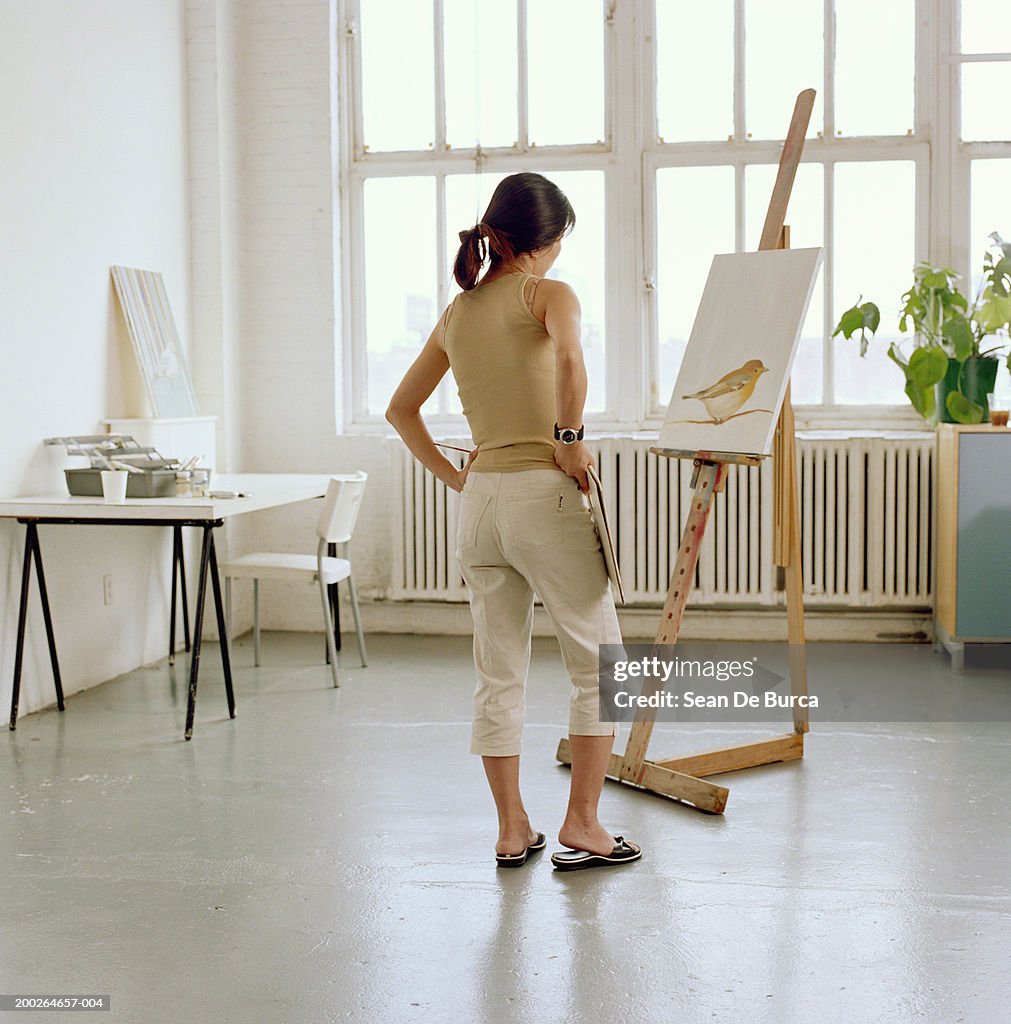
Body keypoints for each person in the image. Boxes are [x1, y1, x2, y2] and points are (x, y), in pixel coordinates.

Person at [386, 172, 640, 872]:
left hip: (481, 507)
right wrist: (567, 437)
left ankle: (510, 829)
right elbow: (568, 357)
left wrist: (457, 477)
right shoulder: (547, 294)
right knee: (598, 665)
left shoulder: (457, 313)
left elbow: (400, 411)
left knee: (497, 672)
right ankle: (583, 825)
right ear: (548, 240)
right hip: (543, 497)